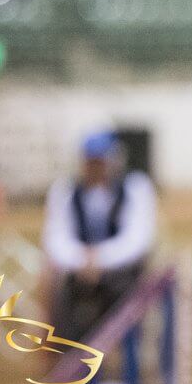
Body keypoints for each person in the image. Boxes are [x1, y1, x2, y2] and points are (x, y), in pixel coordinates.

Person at [42, 130, 158, 342]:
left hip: (123, 272)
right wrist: (82, 261)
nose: (95, 168)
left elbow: (138, 239)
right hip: (78, 273)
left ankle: (128, 353)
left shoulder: (135, 188)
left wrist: (99, 259)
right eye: (91, 161)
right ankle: (64, 353)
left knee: (127, 292)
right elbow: (56, 238)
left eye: (100, 161)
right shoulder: (65, 191)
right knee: (52, 284)